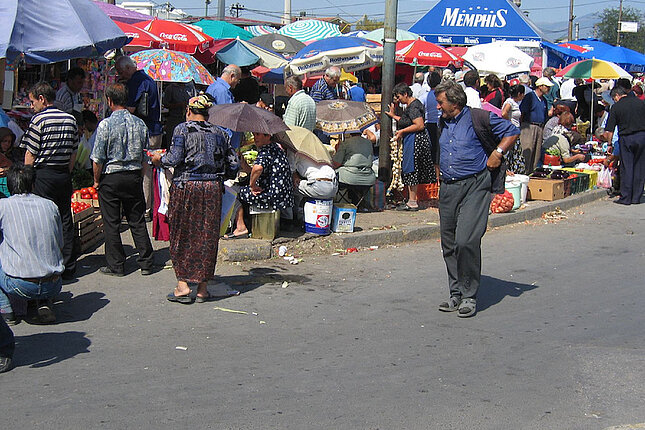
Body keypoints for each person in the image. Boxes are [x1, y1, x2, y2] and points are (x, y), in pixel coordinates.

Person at [434, 80, 519, 318]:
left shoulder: (479, 118)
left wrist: (498, 152)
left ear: (454, 101)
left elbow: (511, 131)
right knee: (449, 243)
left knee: (466, 240)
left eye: (441, 102)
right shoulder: (442, 122)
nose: (438, 107)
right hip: (449, 188)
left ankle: (469, 295)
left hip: (475, 185)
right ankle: (456, 293)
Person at [151, 95, 239, 304]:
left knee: (182, 234)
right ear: (207, 114)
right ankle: (202, 288)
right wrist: (218, 177)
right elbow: (233, 165)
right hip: (212, 190)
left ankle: (183, 285)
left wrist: (158, 159)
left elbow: (173, 159)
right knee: (207, 236)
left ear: (189, 111)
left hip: (186, 188)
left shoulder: (183, 129)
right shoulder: (220, 133)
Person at [90, 83, 155, 276]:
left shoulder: (105, 125)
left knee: (112, 223)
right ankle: (146, 262)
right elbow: (145, 157)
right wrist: (140, 176)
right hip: (133, 176)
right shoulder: (139, 124)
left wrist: (96, 180)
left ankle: (116, 265)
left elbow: (97, 159)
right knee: (137, 220)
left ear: (109, 101)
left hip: (111, 177)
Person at [19, 82, 78, 280]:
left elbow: (30, 153)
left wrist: (27, 178)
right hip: (62, 175)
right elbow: (73, 152)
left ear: (42, 99)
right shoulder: (70, 119)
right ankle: (69, 264)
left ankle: (46, 263)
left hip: (43, 175)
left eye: (33, 101)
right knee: (64, 218)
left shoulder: (39, 120)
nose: (32, 105)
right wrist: (67, 172)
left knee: (43, 219)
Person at [0, 165, 64, 325]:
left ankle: (6, 310)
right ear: (33, 185)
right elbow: (60, 243)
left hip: (19, 286)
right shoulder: (50, 205)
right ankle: (43, 302)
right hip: (54, 283)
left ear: (9, 185)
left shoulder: (3, 206)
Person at [115, 56, 163, 221]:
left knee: (144, 170)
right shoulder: (147, 79)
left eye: (121, 71)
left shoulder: (137, 81)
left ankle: (144, 209)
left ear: (128, 69)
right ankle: (147, 208)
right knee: (148, 169)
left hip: (146, 131)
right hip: (153, 130)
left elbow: (130, 108)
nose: (120, 74)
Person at [226, 132, 294, 239]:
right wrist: (242, 161)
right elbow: (252, 171)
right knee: (241, 186)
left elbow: (257, 169)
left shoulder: (266, 151)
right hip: (281, 195)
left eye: (258, 135)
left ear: (268, 136)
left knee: (232, 191)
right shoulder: (275, 148)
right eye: (254, 134)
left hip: (272, 196)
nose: (255, 137)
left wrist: (252, 186)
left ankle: (241, 227)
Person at [386, 83, 436, 211]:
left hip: (415, 140)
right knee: (411, 168)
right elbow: (407, 122)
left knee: (411, 168)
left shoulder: (413, 107)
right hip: (413, 139)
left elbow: (419, 125)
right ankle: (411, 200)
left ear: (406, 94)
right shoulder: (412, 105)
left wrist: (402, 132)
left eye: (399, 97)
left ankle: (412, 201)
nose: (398, 100)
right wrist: (393, 116)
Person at [604, 85, 645, 205]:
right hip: (642, 136)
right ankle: (636, 197)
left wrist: (610, 144)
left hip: (626, 138)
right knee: (639, 167)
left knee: (627, 167)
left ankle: (626, 197)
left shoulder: (616, 107)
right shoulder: (641, 103)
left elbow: (609, 130)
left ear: (617, 96)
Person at [332, 132, 376, 208]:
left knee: (333, 174)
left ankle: (335, 202)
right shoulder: (368, 143)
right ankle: (360, 203)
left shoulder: (346, 143)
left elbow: (336, 164)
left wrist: (337, 149)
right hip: (368, 177)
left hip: (349, 178)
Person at [519, 77, 552, 173]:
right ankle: (523, 172)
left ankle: (531, 173)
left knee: (536, 153)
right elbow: (523, 112)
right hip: (529, 126)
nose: (549, 89)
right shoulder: (530, 97)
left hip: (540, 127)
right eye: (547, 86)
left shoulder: (544, 100)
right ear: (540, 86)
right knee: (527, 150)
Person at [501, 84, 527, 174]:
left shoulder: (516, 103)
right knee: (511, 152)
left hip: (515, 130)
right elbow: (504, 113)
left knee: (515, 152)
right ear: (519, 94)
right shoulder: (509, 102)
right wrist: (510, 123)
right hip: (511, 131)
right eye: (523, 94)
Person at [425, 71, 442, 180]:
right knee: (438, 151)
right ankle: (437, 176)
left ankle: (432, 176)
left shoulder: (424, 96)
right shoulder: (441, 96)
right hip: (440, 124)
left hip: (429, 125)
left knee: (431, 151)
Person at [162, 82, 191, 148]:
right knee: (172, 141)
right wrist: (179, 105)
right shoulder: (170, 88)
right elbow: (166, 104)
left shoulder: (189, 88)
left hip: (186, 119)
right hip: (174, 119)